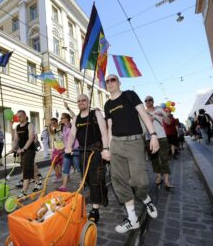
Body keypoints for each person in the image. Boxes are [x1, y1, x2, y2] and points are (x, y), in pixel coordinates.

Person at [104, 74, 159, 233]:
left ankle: (145, 198)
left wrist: (153, 135)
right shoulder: (107, 105)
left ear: (119, 83)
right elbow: (110, 127)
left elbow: (143, 114)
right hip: (116, 144)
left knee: (139, 181)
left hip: (134, 142)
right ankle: (132, 218)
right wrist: (107, 148)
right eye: (107, 81)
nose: (110, 83)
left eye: (112, 80)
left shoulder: (129, 95)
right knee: (119, 180)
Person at [66, 94, 109, 224]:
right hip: (82, 151)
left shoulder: (95, 113)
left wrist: (106, 148)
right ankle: (100, 193)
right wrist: (68, 147)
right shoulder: (76, 118)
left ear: (88, 101)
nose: (81, 103)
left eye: (83, 100)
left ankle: (95, 210)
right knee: (87, 179)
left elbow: (104, 131)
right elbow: (73, 134)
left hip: (95, 149)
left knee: (95, 178)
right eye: (78, 101)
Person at [9, 110, 42, 197]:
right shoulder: (17, 127)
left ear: (24, 116)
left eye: (20, 116)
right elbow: (16, 139)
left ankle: (24, 191)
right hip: (21, 151)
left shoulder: (30, 125)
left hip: (29, 151)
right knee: (28, 168)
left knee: (26, 170)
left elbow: (31, 138)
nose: (19, 118)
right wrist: (13, 149)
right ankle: (38, 183)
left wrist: (24, 148)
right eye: (18, 117)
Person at [144, 96, 174, 189]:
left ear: (153, 101)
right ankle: (158, 176)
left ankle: (166, 181)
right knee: (154, 159)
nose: (148, 101)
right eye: (146, 100)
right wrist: (149, 120)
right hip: (149, 138)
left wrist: (163, 115)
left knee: (164, 158)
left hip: (161, 137)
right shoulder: (143, 112)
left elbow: (168, 122)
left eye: (150, 100)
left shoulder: (160, 109)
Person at [57, 113, 81, 192]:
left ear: (67, 119)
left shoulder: (71, 126)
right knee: (66, 168)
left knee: (78, 167)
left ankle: (83, 181)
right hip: (67, 150)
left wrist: (71, 148)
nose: (61, 119)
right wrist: (64, 147)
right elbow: (65, 139)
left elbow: (73, 138)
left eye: (62, 118)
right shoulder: (63, 127)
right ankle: (64, 186)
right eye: (61, 118)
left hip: (74, 149)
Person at [49, 117, 64, 183]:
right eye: (52, 124)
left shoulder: (62, 128)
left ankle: (66, 177)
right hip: (56, 149)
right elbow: (51, 133)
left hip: (63, 148)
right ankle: (58, 176)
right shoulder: (54, 130)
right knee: (54, 163)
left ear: (57, 122)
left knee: (63, 164)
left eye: (54, 123)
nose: (53, 125)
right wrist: (49, 126)